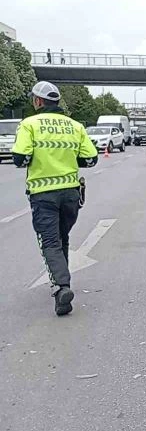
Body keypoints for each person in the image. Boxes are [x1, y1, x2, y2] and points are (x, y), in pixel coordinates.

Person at [11, 81, 98, 316]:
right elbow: (91, 159)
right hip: (71, 193)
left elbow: (20, 158)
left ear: (38, 101)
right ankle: (63, 280)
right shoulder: (75, 126)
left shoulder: (29, 124)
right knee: (62, 238)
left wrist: (37, 158)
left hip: (43, 194)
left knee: (49, 242)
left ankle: (61, 287)